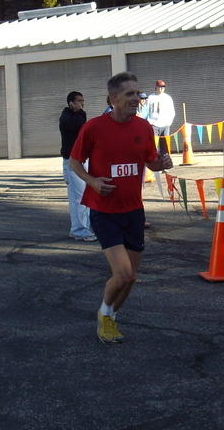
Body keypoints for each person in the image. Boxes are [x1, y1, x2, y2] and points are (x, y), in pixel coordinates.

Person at [69, 72, 173, 344]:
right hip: (104, 211)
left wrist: (161, 163)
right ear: (113, 99)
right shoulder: (93, 127)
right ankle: (104, 314)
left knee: (131, 278)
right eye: (130, 94)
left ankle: (111, 318)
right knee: (123, 273)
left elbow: (151, 162)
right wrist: (91, 181)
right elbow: (74, 161)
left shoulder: (143, 128)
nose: (136, 99)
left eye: (138, 94)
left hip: (134, 211)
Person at [59, 92, 97, 242]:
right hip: (73, 161)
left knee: (81, 196)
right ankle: (80, 230)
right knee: (79, 197)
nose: (82, 104)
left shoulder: (80, 115)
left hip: (80, 160)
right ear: (71, 103)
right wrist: (79, 112)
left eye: (83, 101)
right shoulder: (66, 118)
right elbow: (77, 125)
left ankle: (81, 228)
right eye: (79, 101)